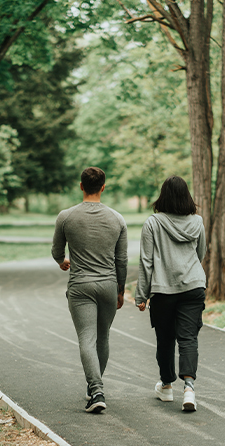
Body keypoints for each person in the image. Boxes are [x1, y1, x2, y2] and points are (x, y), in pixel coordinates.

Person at [52, 167, 128, 413]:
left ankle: (96, 389)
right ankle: (95, 387)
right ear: (103, 187)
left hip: (80, 286)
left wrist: (63, 261)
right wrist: (120, 290)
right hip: (108, 284)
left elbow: (56, 251)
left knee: (87, 337)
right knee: (102, 336)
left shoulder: (66, 216)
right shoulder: (117, 219)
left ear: (81, 186)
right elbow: (122, 260)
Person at [135, 176, 206, 412]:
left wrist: (141, 295)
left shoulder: (153, 223)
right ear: (187, 196)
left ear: (163, 196)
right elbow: (200, 253)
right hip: (193, 286)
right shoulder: (198, 222)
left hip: (163, 290)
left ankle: (166, 386)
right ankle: (189, 389)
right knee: (188, 338)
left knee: (165, 339)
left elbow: (146, 262)